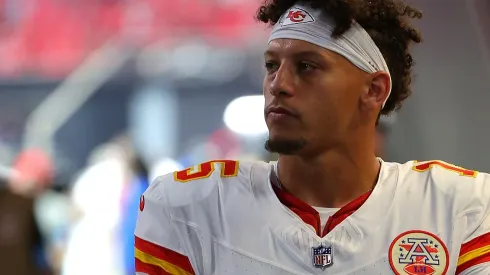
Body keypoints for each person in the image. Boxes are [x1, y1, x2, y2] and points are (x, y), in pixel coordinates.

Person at [134, 0, 490, 274]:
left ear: (373, 90)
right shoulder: (190, 207)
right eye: (272, 65)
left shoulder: (460, 207)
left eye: (307, 66)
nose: (279, 85)